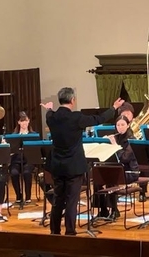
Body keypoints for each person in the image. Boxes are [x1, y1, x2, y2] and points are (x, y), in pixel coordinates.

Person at [42, 88, 124, 236]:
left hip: (58, 166)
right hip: (74, 166)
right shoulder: (76, 118)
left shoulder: (51, 117)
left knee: (58, 199)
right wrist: (114, 108)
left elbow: (49, 113)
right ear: (72, 100)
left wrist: (49, 108)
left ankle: (54, 231)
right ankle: (70, 232)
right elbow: (99, 119)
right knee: (72, 201)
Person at [96, 115, 140, 220]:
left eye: (123, 124)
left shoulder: (132, 139)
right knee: (97, 179)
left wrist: (114, 144)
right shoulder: (116, 137)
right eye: (118, 125)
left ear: (128, 125)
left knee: (111, 179)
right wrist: (104, 143)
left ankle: (114, 210)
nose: (120, 127)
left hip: (130, 171)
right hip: (117, 169)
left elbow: (124, 158)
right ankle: (103, 210)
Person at [9, 111, 35, 204]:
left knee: (27, 173)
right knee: (14, 173)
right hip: (16, 160)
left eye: (26, 120)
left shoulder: (33, 135)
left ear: (29, 121)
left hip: (28, 160)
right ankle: (18, 196)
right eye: (22, 121)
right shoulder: (13, 136)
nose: (24, 123)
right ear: (18, 122)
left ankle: (28, 196)